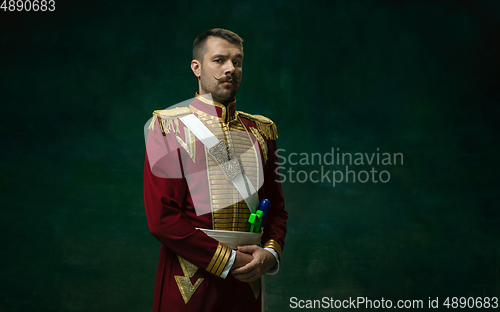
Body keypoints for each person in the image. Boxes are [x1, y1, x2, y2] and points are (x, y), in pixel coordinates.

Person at [143, 28, 287, 312]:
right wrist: (229, 260)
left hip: (249, 280)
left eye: (237, 61)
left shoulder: (261, 131)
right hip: (191, 281)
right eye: (219, 60)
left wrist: (270, 253)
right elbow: (163, 218)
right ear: (196, 67)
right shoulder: (167, 127)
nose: (231, 69)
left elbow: (277, 208)